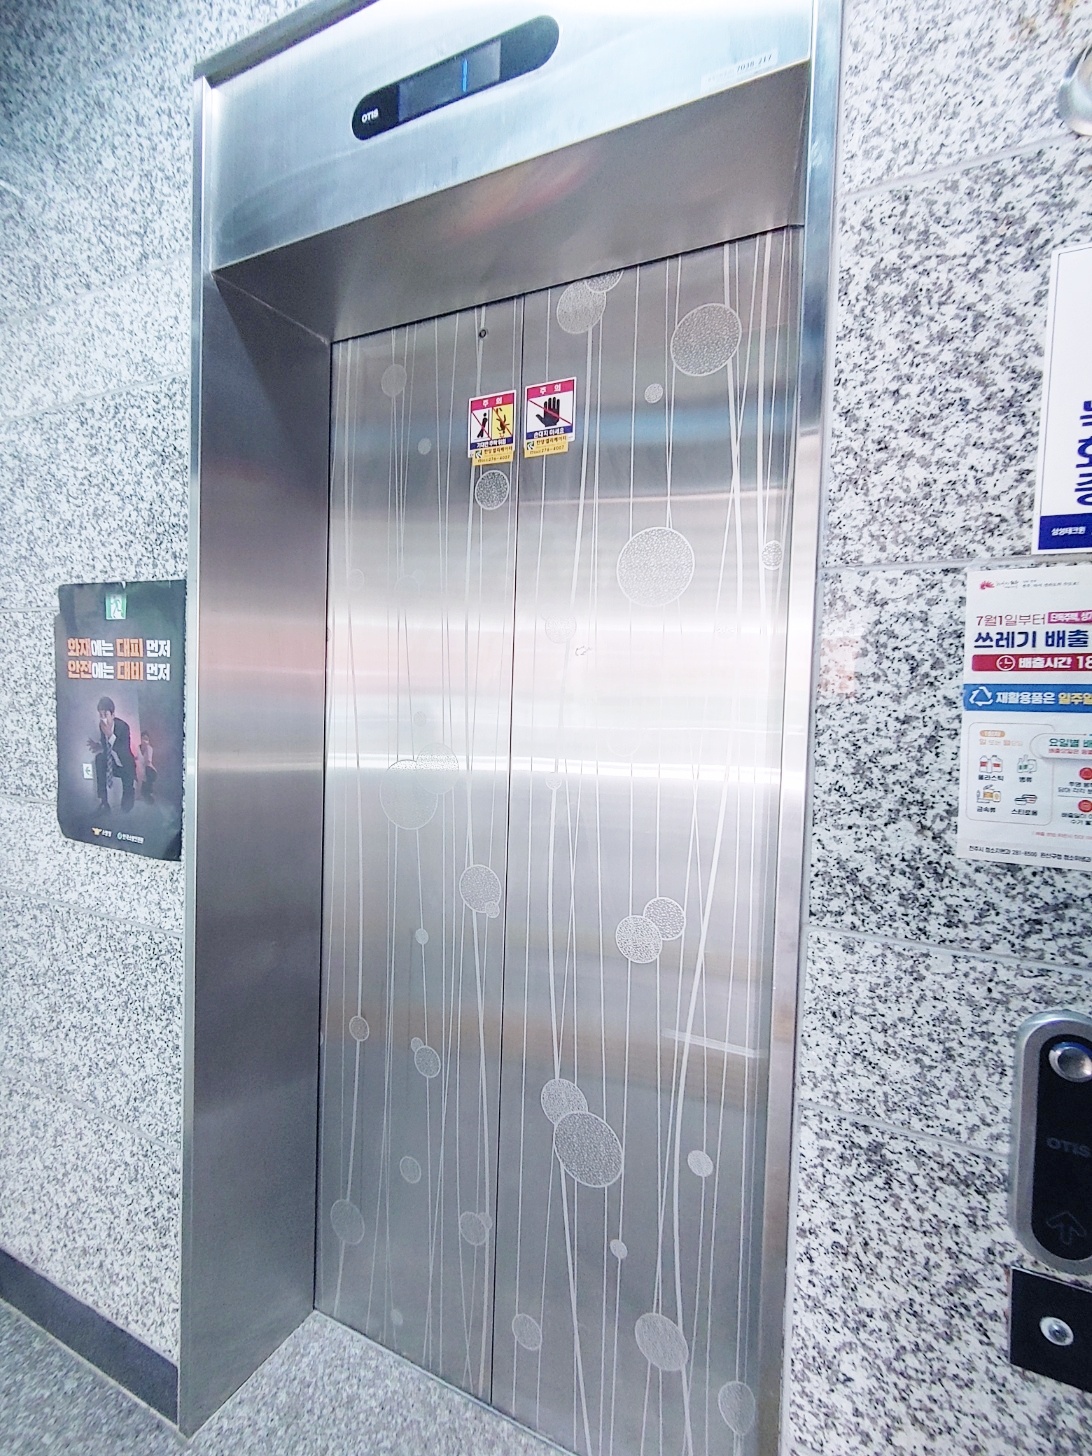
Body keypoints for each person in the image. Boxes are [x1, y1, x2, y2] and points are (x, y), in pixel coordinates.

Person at [87, 696, 136, 813]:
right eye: (101, 715)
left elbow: (123, 750)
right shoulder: (101, 726)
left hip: (125, 765)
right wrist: (98, 745)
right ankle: (103, 801)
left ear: (113, 715)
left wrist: (110, 734)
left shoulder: (123, 727)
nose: (103, 718)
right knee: (99, 758)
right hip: (112, 764)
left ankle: (130, 793)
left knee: (126, 807)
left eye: (105, 715)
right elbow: (106, 745)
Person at [139, 730, 158, 804]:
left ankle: (150, 797)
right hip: (143, 772)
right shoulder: (138, 748)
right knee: (143, 790)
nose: (145, 740)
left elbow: (148, 761)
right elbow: (138, 757)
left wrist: (146, 748)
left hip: (150, 771)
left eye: (146, 739)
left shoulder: (149, 748)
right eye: (143, 738)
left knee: (147, 787)